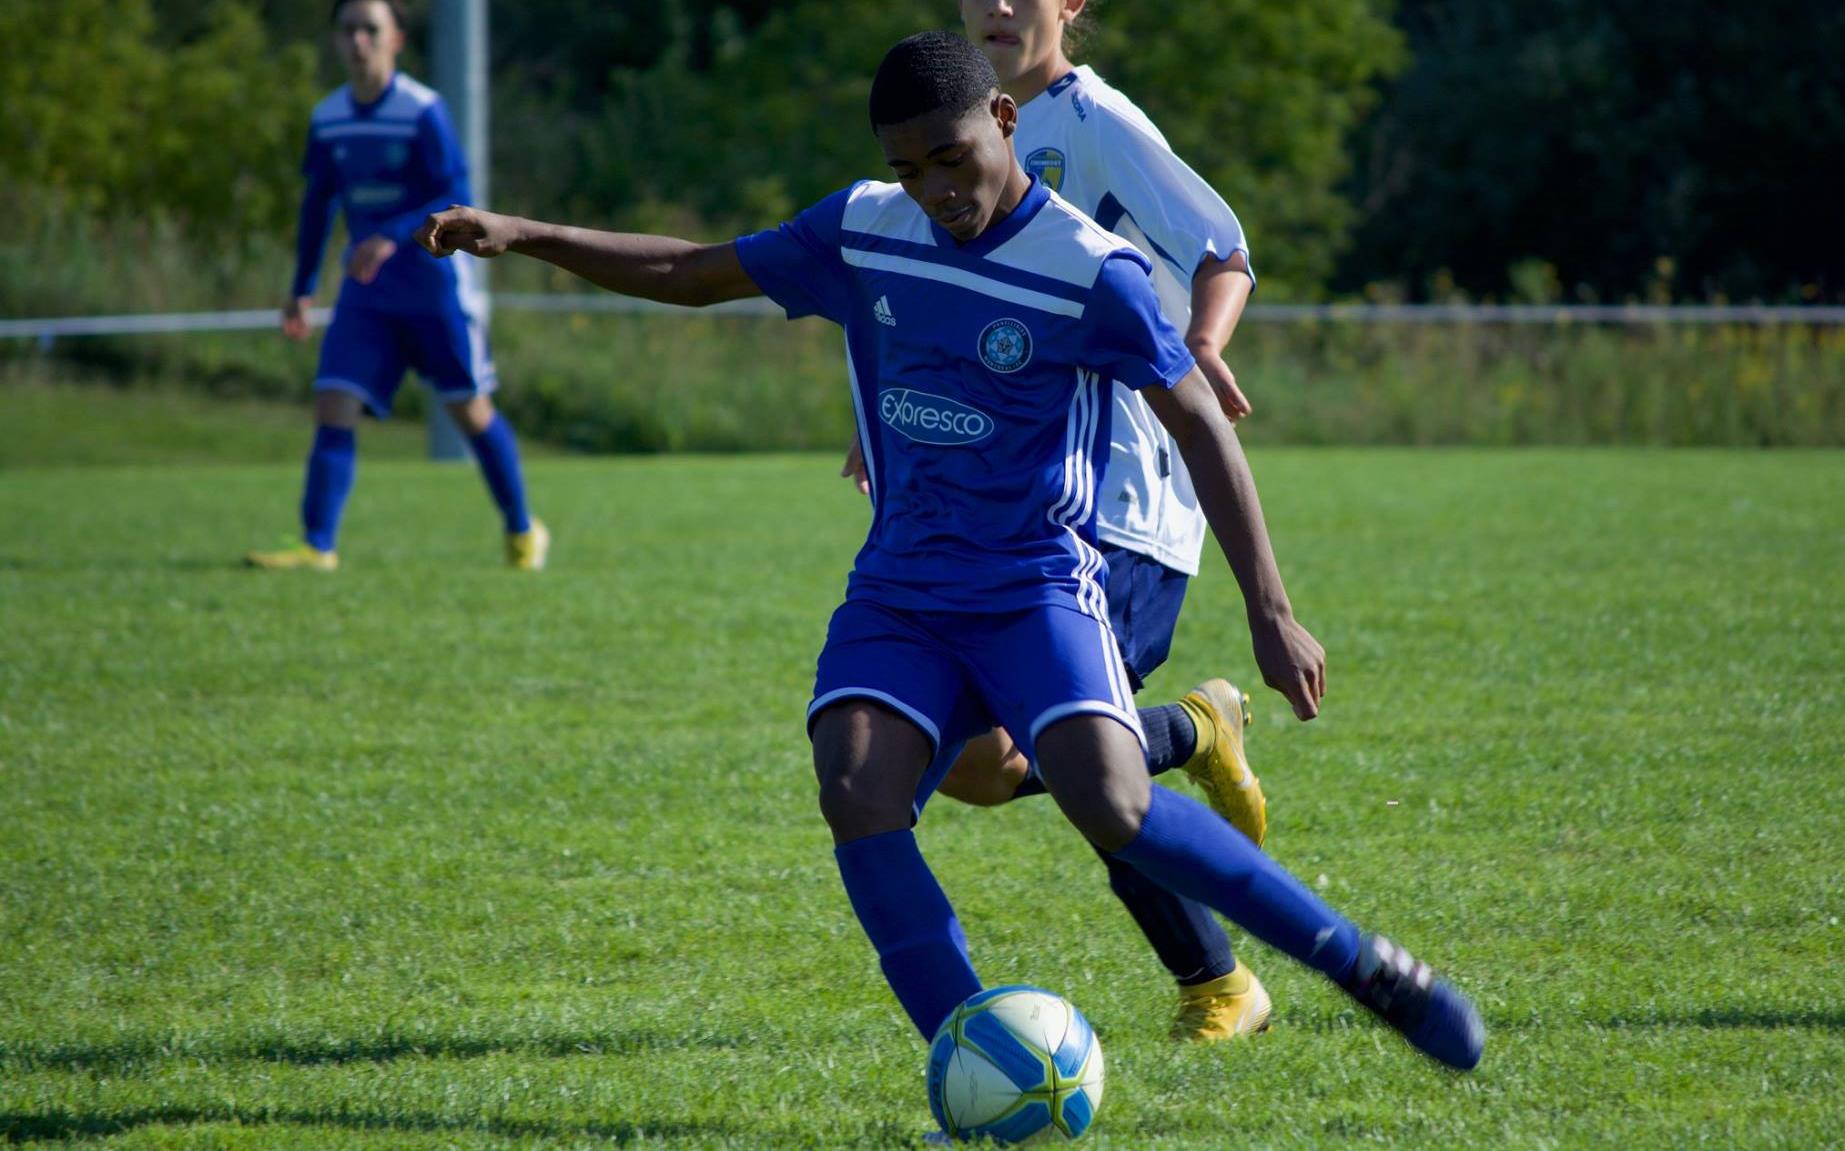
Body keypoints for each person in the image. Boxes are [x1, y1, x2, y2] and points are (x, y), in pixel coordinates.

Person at [415, 31, 1484, 1078]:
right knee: (857, 783)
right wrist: (525, 232)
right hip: (901, 591)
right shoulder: (864, 227)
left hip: (1033, 585)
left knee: (1105, 799)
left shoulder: (1088, 269)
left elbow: (1200, 419)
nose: (933, 185)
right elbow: (697, 269)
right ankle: (977, 1059)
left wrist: (1268, 605)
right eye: (908, 166)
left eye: (952, 156)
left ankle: (1360, 963)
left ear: (1003, 121)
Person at [839, 0, 1273, 1042]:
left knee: (1084, 763)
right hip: (1006, 492)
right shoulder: (947, 133)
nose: (993, 5)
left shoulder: (1094, 122)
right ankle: (1197, 725)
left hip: (1120, 499)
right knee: (984, 771)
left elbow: (1225, 250)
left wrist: (1204, 350)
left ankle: (1216, 981)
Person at [248, 0, 547, 572]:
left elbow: (454, 190)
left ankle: (522, 530)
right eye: (347, 29)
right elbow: (317, 206)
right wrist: (302, 286)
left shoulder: (421, 109)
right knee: (333, 400)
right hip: (366, 291)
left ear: (396, 40)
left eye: (370, 29)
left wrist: (390, 234)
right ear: (335, 40)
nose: (358, 40)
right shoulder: (328, 116)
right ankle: (318, 545)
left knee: (470, 413)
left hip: (433, 287)